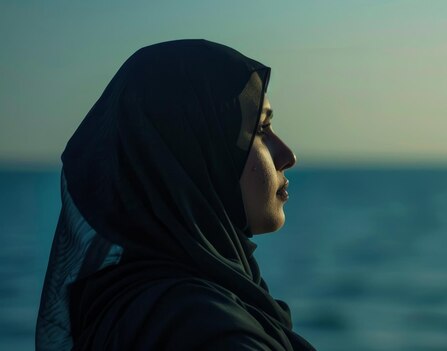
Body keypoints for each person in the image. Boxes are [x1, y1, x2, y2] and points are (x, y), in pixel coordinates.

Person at [36, 39, 316, 350]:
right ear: (198, 155)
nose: (287, 155)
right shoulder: (204, 329)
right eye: (261, 129)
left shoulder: (124, 304)